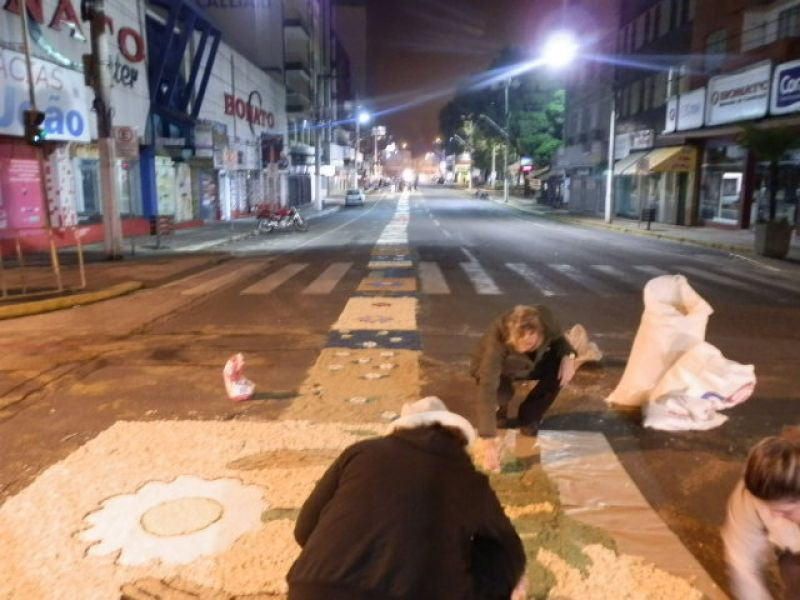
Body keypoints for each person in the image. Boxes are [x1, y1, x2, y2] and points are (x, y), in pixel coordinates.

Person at [286, 396, 527, 600]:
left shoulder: (361, 452)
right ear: (458, 440)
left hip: (316, 588)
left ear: (400, 429)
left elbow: (304, 530)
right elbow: (509, 552)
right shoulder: (469, 480)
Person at [470, 305, 577, 468]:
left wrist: (568, 356)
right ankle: (499, 413)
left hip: (532, 363)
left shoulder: (546, 319)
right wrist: (488, 439)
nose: (523, 348)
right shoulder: (497, 338)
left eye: (529, 343)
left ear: (538, 333)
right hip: (498, 367)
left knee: (560, 371)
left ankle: (529, 417)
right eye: (518, 343)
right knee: (500, 395)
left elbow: (559, 339)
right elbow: (487, 385)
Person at [722, 432, 800, 600]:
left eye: (786, 511)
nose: (775, 516)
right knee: (794, 574)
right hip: (794, 548)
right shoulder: (750, 498)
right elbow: (742, 562)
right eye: (769, 507)